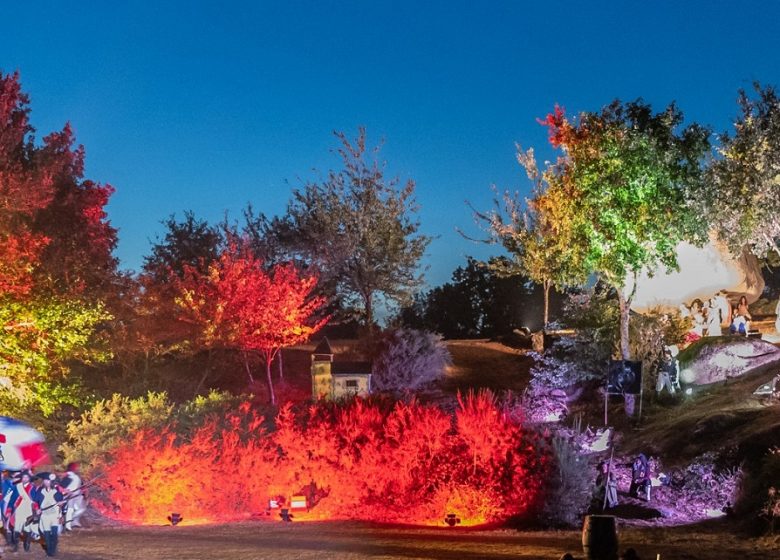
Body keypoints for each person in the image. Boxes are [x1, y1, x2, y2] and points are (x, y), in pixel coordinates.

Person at [35, 473, 63, 557]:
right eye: (45, 480)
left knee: (54, 534)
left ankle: (52, 551)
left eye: (48, 480)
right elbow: (35, 502)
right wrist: (37, 509)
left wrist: (61, 503)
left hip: (54, 516)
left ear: (51, 482)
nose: (46, 482)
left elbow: (61, 502)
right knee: (46, 535)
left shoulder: (56, 491)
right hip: (44, 516)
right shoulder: (40, 491)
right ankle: (49, 551)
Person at [11, 470, 37, 552]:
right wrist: (9, 509)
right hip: (19, 510)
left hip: (28, 510)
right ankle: (15, 546)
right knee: (16, 528)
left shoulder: (33, 487)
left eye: (26, 477)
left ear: (29, 478)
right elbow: (13, 498)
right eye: (23, 477)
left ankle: (27, 544)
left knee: (27, 528)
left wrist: (36, 507)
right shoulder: (18, 486)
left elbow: (35, 499)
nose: (25, 478)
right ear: (21, 478)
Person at [60, 462, 85, 531]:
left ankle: (73, 521)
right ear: (73, 468)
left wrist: (82, 490)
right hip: (70, 496)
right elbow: (61, 486)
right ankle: (68, 525)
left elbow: (80, 485)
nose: (78, 468)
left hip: (78, 495)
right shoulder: (68, 476)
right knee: (70, 510)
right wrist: (66, 492)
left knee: (82, 508)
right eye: (77, 467)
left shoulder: (76, 476)